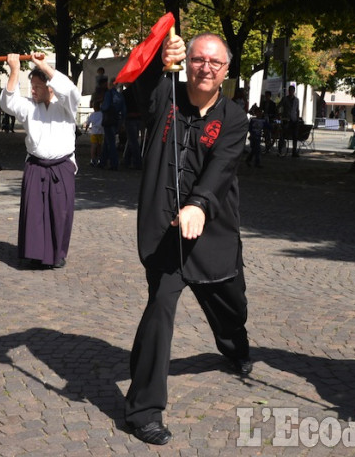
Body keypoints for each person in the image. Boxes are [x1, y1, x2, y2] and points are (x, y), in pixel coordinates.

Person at [124, 32, 252, 446]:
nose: (205, 69)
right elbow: (138, 89)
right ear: (188, 61)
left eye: (215, 63)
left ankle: (235, 347)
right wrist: (160, 61)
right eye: (199, 60)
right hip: (166, 236)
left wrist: (198, 203)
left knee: (231, 305)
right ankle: (143, 410)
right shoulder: (167, 95)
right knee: (159, 309)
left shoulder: (234, 117)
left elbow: (223, 167)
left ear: (226, 71)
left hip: (212, 232)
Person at [0, 52, 80, 270]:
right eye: (32, 86)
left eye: (38, 86)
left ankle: (57, 254)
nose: (33, 90)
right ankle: (34, 253)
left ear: (50, 88)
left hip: (61, 167)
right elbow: (7, 103)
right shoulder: (28, 107)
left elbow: (71, 91)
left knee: (60, 212)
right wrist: (14, 69)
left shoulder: (66, 107)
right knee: (34, 212)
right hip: (36, 165)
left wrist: (44, 66)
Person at [99, 77, 125, 170]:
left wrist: (101, 107)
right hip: (116, 119)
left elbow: (105, 107)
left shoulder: (108, 94)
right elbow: (123, 110)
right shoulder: (120, 95)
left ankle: (114, 163)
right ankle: (102, 161)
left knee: (110, 142)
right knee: (108, 140)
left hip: (108, 119)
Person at [279, 84, 301, 157]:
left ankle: (294, 152)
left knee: (295, 136)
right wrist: (280, 115)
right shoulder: (284, 99)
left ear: (294, 91)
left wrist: (297, 118)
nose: (291, 92)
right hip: (286, 119)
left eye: (292, 90)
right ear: (288, 91)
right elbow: (279, 106)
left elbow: (297, 110)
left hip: (294, 119)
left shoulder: (296, 100)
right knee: (283, 134)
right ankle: (280, 149)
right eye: (290, 90)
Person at [84, 100, 104, 166]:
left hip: (94, 132)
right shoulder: (102, 114)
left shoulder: (92, 115)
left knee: (93, 146)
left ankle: (92, 159)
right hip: (101, 132)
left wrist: (85, 130)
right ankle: (99, 159)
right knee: (99, 146)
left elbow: (88, 123)